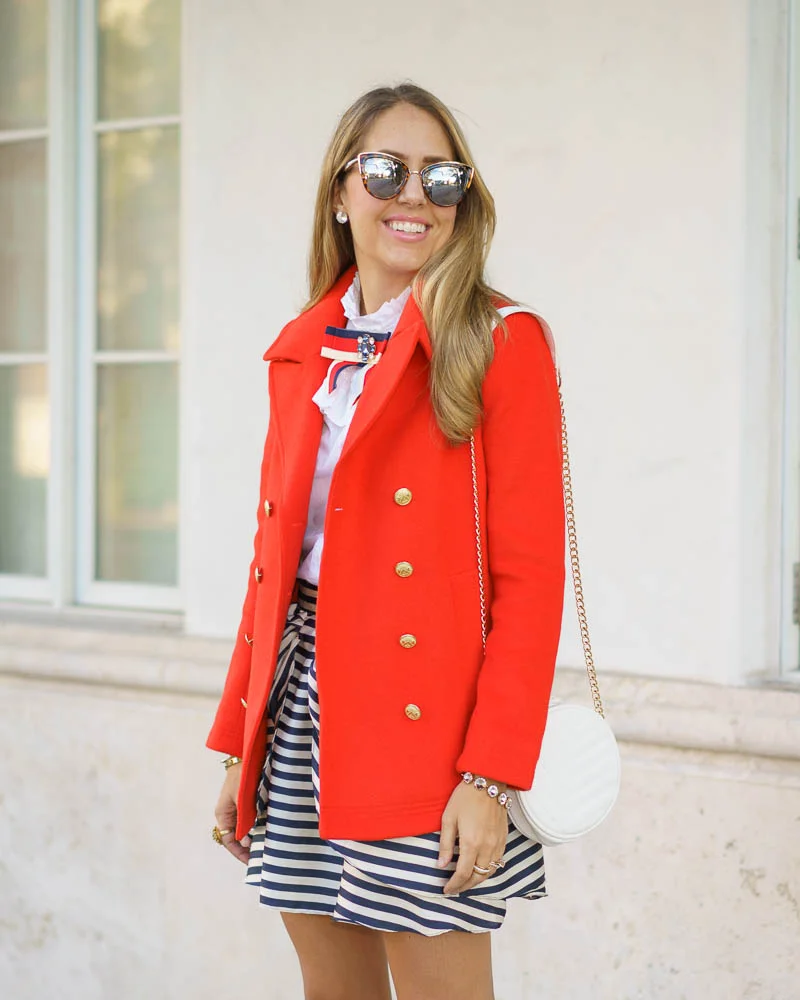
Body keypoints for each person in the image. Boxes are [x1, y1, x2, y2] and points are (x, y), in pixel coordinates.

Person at [207, 82, 565, 1000]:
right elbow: (273, 562)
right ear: (340, 191)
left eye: (442, 178)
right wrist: (243, 740)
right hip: (299, 706)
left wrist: (490, 777)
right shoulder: (305, 349)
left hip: (426, 725)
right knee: (335, 991)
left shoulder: (500, 340)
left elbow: (530, 583)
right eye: (385, 171)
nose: (414, 196)